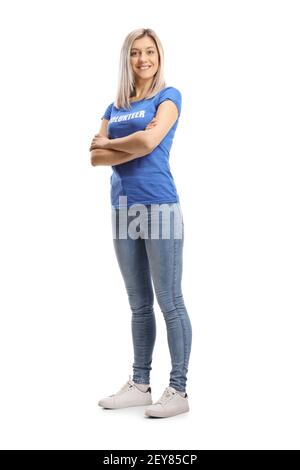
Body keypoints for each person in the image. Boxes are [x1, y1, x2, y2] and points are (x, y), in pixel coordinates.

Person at [90, 28, 192, 418]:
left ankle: (179, 390)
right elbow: (94, 160)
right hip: (122, 208)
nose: (142, 59)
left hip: (160, 206)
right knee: (138, 304)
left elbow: (149, 145)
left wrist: (111, 144)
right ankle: (140, 382)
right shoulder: (114, 106)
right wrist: (126, 143)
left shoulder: (168, 97)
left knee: (170, 300)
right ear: (127, 59)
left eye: (149, 52)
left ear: (159, 57)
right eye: (135, 53)